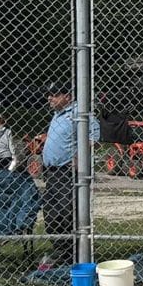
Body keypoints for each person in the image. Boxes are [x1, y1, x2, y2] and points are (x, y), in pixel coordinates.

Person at [42, 82, 101, 265]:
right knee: (51, 214)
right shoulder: (57, 115)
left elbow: (96, 136)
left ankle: (72, 254)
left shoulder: (79, 113)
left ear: (67, 96)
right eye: (49, 94)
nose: (50, 98)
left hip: (67, 172)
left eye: (55, 94)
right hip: (51, 173)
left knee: (66, 213)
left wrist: (79, 155)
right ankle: (62, 251)